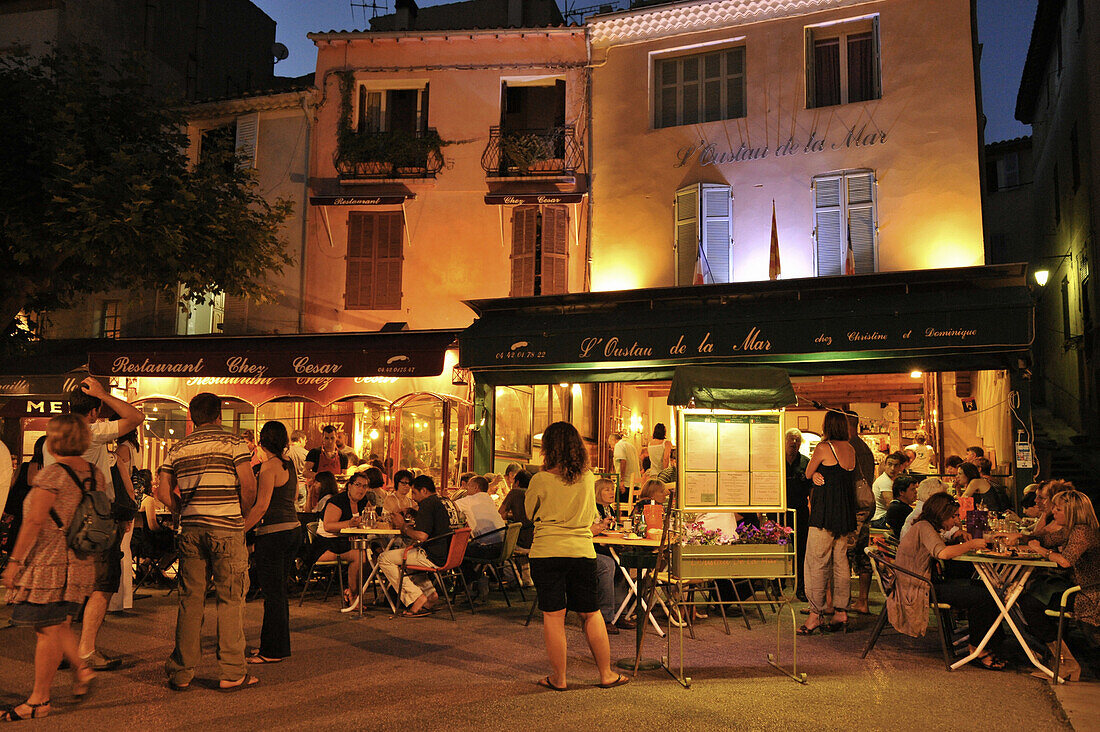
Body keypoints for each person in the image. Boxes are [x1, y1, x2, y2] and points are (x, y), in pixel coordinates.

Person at [0, 416, 103, 721]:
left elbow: (33, 522)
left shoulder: (54, 474)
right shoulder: (95, 473)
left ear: (54, 440)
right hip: (80, 560)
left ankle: (39, 700)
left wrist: (14, 564)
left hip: (51, 561)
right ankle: (82, 671)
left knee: (46, 629)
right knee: (59, 624)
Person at [157, 392, 258, 692]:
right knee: (230, 599)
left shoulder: (178, 448)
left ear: (192, 417)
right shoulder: (234, 443)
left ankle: (182, 672)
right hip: (226, 528)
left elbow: (163, 492)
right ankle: (231, 672)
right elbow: (248, 486)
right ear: (219, 416)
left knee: (191, 600)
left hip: (191, 529)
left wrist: (182, 510)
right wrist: (241, 513)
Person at [526, 422, 627, 691]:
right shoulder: (587, 477)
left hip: (547, 551)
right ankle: (606, 674)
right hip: (582, 551)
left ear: (548, 447)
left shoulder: (539, 479)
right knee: (591, 613)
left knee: (554, 615)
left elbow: (528, 512)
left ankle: (559, 679)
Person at [53, 377, 144, 673]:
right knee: (102, 586)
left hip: (64, 520)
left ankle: (63, 650)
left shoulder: (52, 435)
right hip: (94, 521)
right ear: (93, 412)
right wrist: (104, 394)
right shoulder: (92, 432)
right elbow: (136, 417)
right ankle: (86, 651)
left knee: (71, 586)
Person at [888, 492, 1005, 668]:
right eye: (953, 516)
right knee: (983, 597)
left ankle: (989, 643)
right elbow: (942, 553)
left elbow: (940, 545)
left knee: (983, 588)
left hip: (920, 582)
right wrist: (971, 545)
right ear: (941, 514)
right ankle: (977, 648)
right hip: (919, 587)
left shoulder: (925, 525)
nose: (956, 521)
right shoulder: (924, 527)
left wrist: (958, 536)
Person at [1015, 490, 1099, 678]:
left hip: (1088, 594)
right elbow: (1045, 539)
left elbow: (1065, 561)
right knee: (1030, 595)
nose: (1053, 512)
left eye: (1058, 509)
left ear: (1072, 512)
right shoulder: (1072, 528)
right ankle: (1055, 657)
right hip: (1076, 587)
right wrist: (1021, 539)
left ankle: (1066, 662)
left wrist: (1041, 550)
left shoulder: (1082, 531)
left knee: (1030, 604)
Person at [242, 421, 302, 664]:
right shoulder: (290, 465)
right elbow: (295, 496)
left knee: (272, 594)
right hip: (293, 530)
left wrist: (241, 529)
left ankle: (272, 651)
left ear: (263, 440)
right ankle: (275, 646)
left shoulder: (268, 468)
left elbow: (262, 505)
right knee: (278, 592)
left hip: (274, 534)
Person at [799, 410, 856, 635]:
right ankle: (841, 612)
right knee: (841, 563)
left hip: (825, 511)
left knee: (816, 562)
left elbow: (807, 472)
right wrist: (815, 476)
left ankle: (815, 614)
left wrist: (813, 476)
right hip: (845, 510)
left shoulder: (824, 447)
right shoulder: (850, 449)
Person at [378, 475, 461, 617]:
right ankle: (430, 595)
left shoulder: (427, 504)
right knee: (407, 561)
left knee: (384, 558)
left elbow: (422, 536)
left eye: (414, 493)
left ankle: (415, 598)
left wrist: (403, 526)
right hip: (448, 555)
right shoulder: (442, 501)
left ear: (423, 491)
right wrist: (414, 513)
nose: (414, 498)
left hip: (431, 556)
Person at [317, 471, 373, 611]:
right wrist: (349, 523)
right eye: (358, 485)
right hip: (326, 544)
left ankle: (354, 593)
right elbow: (328, 526)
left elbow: (371, 518)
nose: (361, 489)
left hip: (346, 541)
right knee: (358, 555)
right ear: (349, 486)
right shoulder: (337, 501)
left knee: (374, 557)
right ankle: (353, 596)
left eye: (365, 486)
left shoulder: (363, 501)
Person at [457, 475, 507, 600]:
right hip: (503, 547)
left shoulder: (469, 500)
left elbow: (449, 507)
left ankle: (474, 582)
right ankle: (476, 581)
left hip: (488, 548)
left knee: (457, 551)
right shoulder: (488, 499)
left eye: (468, 486)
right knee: (468, 548)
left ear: (475, 487)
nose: (466, 489)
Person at [846, 411, 876, 616]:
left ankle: (843, 601)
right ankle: (862, 600)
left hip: (854, 509)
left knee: (846, 555)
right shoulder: (864, 448)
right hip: (865, 506)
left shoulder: (851, 449)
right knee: (861, 555)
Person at [108, 429, 141, 613]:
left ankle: (117, 599)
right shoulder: (135, 448)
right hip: (129, 503)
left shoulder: (122, 449)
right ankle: (124, 599)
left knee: (119, 551)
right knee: (124, 551)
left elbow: (124, 479)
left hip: (121, 504)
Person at [2, 436, 46, 555]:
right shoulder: (51, 472)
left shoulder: (23, 468)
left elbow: (11, 489)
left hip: (20, 522)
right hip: (42, 525)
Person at [784, 428, 811, 601]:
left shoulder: (806, 462)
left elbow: (812, 488)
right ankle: (776, 586)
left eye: (797, 440)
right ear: (785, 441)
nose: (794, 443)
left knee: (802, 550)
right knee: (779, 548)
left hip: (800, 511)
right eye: (791, 440)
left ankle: (801, 587)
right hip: (779, 512)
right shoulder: (776, 460)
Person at [499, 472, 535, 587]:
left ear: (517, 482)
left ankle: (513, 580)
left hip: (522, 541)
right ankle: (527, 579)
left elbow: (501, 514)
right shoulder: (532, 493)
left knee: (503, 550)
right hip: (535, 540)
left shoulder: (515, 492)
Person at [304, 426, 348, 509]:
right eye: (327, 438)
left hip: (334, 491)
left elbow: (343, 475)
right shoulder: (314, 453)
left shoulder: (343, 456)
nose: (330, 441)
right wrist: (323, 477)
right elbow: (305, 472)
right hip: (317, 491)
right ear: (322, 438)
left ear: (336, 437)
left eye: (332, 438)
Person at [872, 452, 907, 523]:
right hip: (880, 519)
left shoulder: (892, 480)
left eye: (896, 465)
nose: (892, 468)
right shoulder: (884, 481)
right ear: (885, 465)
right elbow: (891, 506)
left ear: (900, 467)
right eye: (890, 465)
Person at [607, 432, 641, 503]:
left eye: (610, 445)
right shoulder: (631, 445)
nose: (611, 448)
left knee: (618, 508)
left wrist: (622, 480)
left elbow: (623, 461)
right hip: (634, 483)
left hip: (626, 484)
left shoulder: (618, 445)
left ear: (614, 440)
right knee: (630, 509)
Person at [883, 475, 918, 539]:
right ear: (901, 492)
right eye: (912, 489)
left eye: (916, 489)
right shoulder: (902, 509)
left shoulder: (895, 505)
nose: (916, 492)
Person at [287, 430, 309, 510]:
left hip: (289, 486)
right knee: (301, 512)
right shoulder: (306, 454)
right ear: (300, 440)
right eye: (305, 440)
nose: (305, 443)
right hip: (302, 486)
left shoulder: (285, 452)